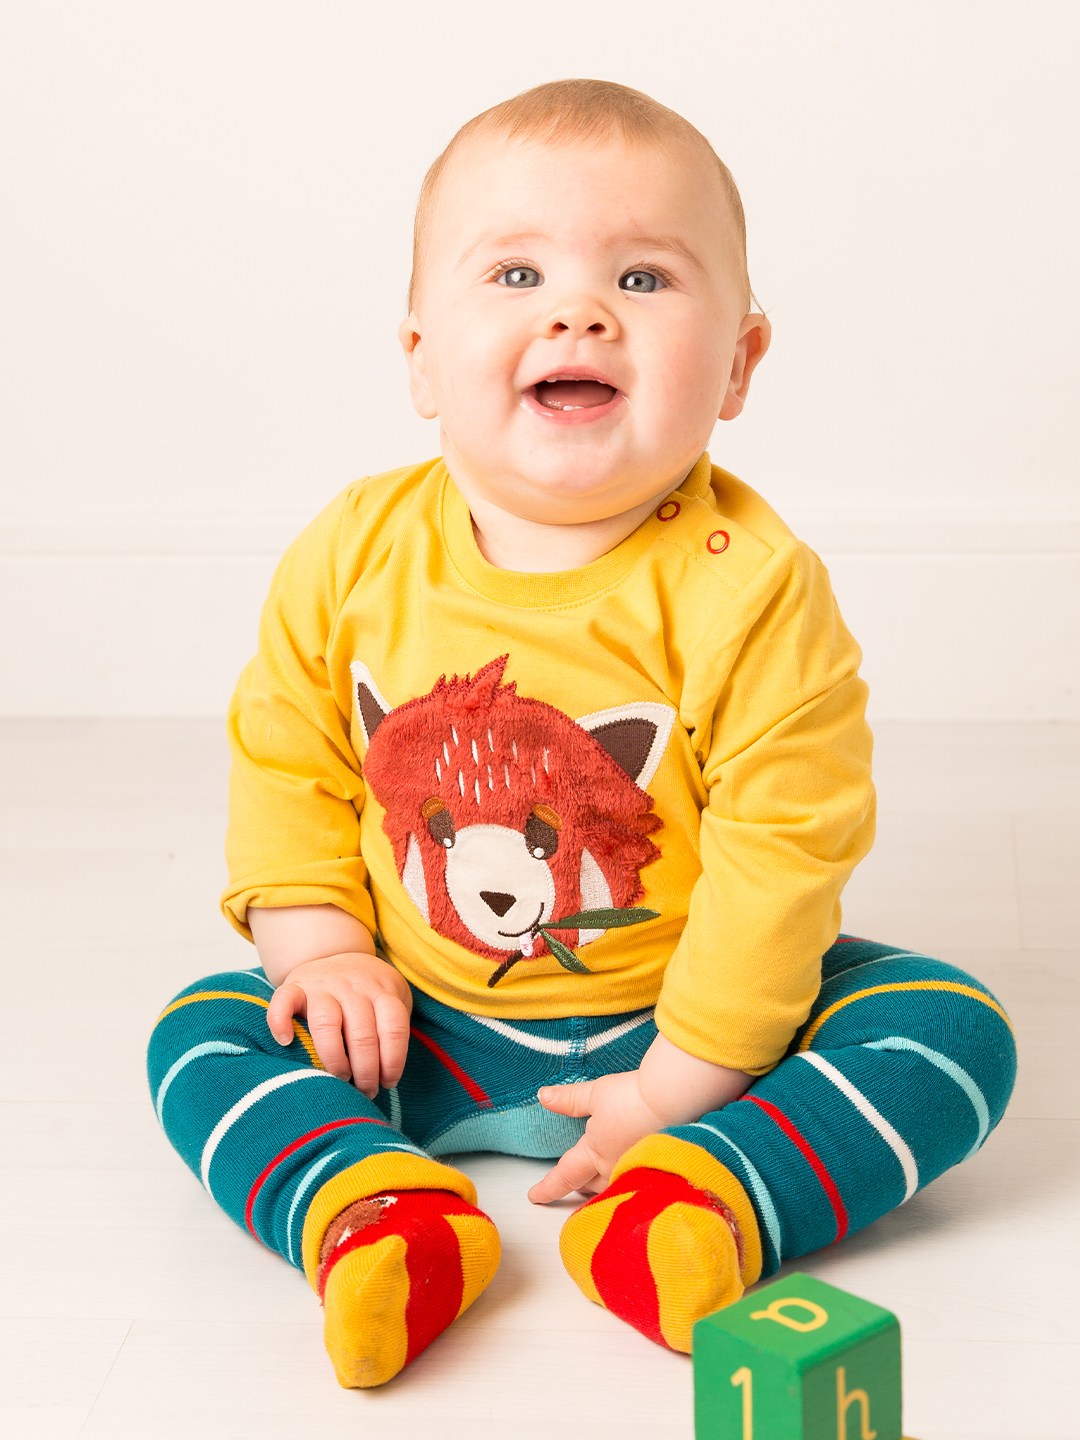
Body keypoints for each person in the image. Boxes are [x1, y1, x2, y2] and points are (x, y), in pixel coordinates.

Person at [147, 79, 1016, 1389]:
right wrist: (323, 953)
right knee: (202, 1032)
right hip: (421, 1020)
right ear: (421, 357)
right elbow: (289, 758)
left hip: (697, 1023)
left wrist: (681, 1083)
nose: (579, 311)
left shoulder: (753, 591)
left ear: (739, 363)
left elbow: (786, 852)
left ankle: (702, 1196)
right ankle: (373, 1211)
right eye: (516, 273)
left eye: (644, 279)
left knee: (955, 1032)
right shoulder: (353, 553)